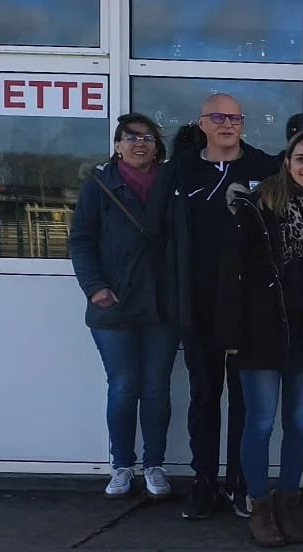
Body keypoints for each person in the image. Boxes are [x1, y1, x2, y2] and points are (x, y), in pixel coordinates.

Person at [216, 129, 303, 547]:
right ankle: (258, 504)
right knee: (259, 422)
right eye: (302, 159)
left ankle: (288, 503)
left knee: (297, 422)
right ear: (288, 162)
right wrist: (230, 333)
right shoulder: (258, 206)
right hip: (261, 332)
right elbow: (230, 273)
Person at [162, 92, 278, 520]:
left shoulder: (265, 169)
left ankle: (241, 483)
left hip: (248, 310)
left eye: (235, 117)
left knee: (244, 402)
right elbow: (160, 236)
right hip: (197, 307)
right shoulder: (179, 172)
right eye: (219, 117)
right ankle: (204, 483)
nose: (228, 124)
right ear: (203, 123)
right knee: (204, 397)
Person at [70, 113, 176, 501]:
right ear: (117, 145)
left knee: (155, 388)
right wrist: (95, 288)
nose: (139, 144)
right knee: (123, 385)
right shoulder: (99, 185)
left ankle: (155, 464)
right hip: (112, 305)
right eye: (130, 138)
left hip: (162, 305)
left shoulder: (170, 182)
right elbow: (80, 240)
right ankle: (121, 465)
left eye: (147, 137)